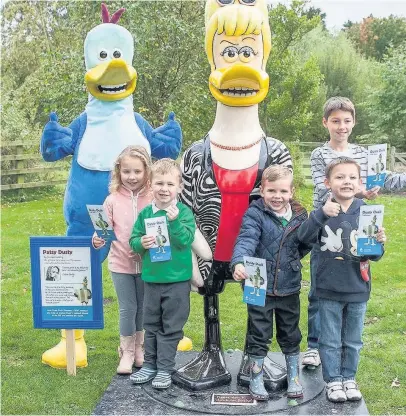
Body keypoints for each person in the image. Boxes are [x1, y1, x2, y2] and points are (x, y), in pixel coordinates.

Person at [303, 96, 403, 369]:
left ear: (354, 122)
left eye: (347, 121)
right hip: (325, 225)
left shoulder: (363, 154)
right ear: (326, 123)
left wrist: (371, 188)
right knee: (318, 289)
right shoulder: (320, 155)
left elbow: (384, 179)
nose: (341, 126)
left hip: (356, 226)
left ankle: (343, 340)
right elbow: (322, 189)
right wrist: (357, 189)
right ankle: (313, 345)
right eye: (335, 121)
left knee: (352, 280)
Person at [298, 157, 386, 402]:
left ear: (359, 183)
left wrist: (379, 243)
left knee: (353, 339)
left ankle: (349, 377)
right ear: (328, 183)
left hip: (358, 287)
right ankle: (334, 380)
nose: (346, 181)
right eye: (339, 177)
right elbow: (303, 238)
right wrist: (319, 216)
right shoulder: (323, 211)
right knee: (330, 339)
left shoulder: (366, 212)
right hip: (327, 289)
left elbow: (373, 255)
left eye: (351, 177)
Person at [231, 165, 311, 401]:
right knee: (258, 332)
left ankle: (293, 376)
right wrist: (238, 262)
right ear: (262, 190)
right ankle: (256, 378)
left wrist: (292, 261)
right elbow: (246, 239)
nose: (278, 196)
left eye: (283, 191)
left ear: (292, 191)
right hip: (258, 285)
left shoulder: (300, 215)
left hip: (289, 286)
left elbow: (304, 243)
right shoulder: (254, 214)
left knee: (290, 332)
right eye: (272, 191)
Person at [129, 158, 195, 389]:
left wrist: (174, 222)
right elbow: (133, 240)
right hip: (152, 280)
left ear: (179, 187)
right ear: (150, 185)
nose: (164, 189)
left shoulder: (184, 213)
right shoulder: (146, 213)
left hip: (177, 281)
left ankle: (165, 368)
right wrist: (141, 243)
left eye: (169, 184)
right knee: (151, 324)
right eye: (159, 184)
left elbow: (185, 240)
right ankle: (149, 365)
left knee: (171, 326)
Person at [92, 145, 153, 375]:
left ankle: (139, 349)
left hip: (149, 264)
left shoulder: (153, 197)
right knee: (128, 308)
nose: (132, 177)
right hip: (121, 264)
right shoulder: (112, 200)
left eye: (137, 171)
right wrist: (97, 240)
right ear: (119, 171)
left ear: (146, 171)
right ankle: (126, 351)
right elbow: (102, 231)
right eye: (127, 172)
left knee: (143, 309)